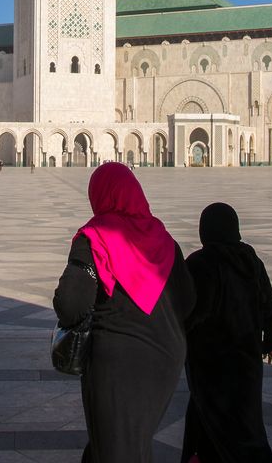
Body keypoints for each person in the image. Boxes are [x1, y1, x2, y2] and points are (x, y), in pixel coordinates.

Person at [53, 163, 194, 463]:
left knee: (119, 449)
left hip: (117, 364)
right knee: (130, 440)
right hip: (165, 361)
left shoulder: (94, 238)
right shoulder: (164, 240)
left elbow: (71, 303)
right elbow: (189, 299)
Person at [181, 203, 272, 463]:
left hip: (212, 363)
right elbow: (269, 303)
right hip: (247, 360)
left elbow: (192, 311)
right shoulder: (251, 259)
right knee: (247, 421)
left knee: (211, 423)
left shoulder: (201, 263)